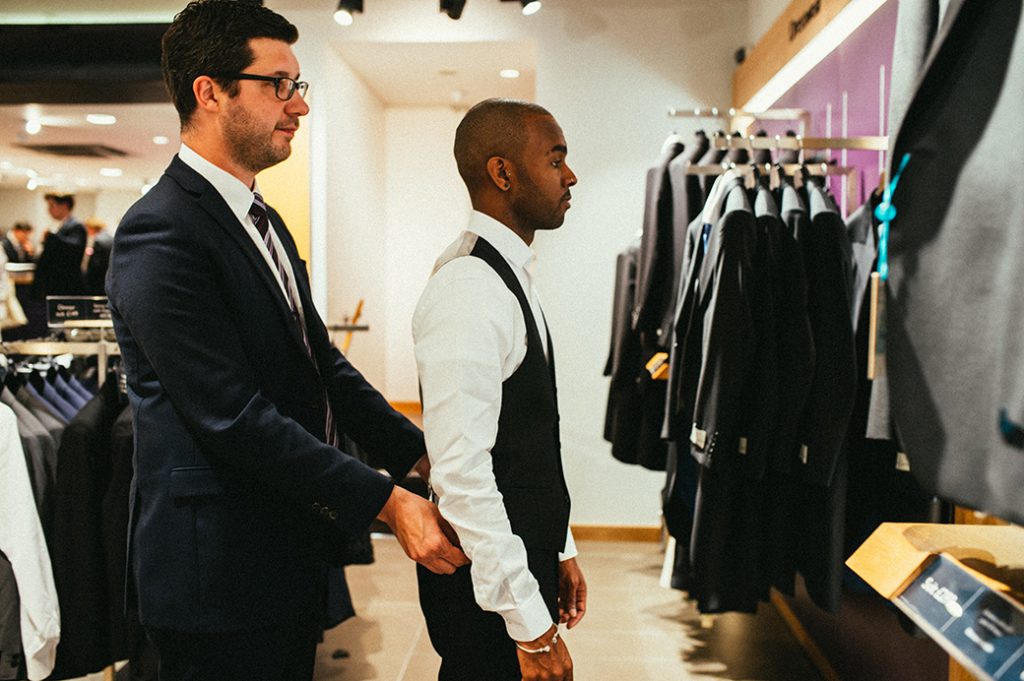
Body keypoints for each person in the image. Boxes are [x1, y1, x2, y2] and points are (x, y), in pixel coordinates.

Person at [106, 2, 468, 679]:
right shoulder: (160, 231)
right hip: (213, 576)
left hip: (282, 551)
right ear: (209, 92)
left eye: (298, 86)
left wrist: (419, 455)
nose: (298, 106)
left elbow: (319, 363)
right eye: (280, 84)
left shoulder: (262, 218)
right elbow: (231, 416)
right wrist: (388, 501)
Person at [412, 98, 587, 681]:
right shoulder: (470, 285)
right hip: (486, 597)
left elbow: (528, 436)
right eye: (555, 158)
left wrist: (559, 549)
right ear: (502, 172)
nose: (570, 175)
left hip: (520, 559)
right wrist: (529, 627)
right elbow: (462, 473)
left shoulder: (507, 273)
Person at [32, 193, 86, 297]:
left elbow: (72, 250)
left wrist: (51, 237)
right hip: (59, 284)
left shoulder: (76, 225)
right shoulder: (65, 225)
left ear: (65, 205)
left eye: (52, 206)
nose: (49, 210)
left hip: (67, 284)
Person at [81, 217, 113, 295]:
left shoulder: (99, 240)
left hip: (98, 282)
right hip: (108, 277)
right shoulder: (109, 237)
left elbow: (96, 264)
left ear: (91, 227)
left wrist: (86, 277)